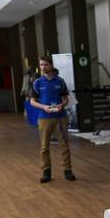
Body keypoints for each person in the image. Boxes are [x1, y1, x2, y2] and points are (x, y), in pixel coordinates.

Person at [30, 55, 76, 183]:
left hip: (60, 117)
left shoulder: (60, 81)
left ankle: (68, 171)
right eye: (41, 65)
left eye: (45, 64)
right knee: (44, 147)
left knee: (64, 145)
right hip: (44, 118)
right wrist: (43, 107)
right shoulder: (37, 83)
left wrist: (62, 104)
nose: (43, 67)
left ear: (51, 65)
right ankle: (46, 172)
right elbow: (32, 101)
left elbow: (66, 99)